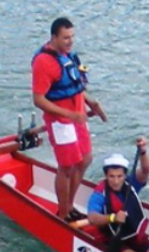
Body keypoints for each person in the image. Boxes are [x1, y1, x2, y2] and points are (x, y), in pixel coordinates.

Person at [32, 17, 106, 219]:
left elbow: (75, 86)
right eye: (65, 38)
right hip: (61, 121)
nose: (70, 41)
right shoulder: (43, 62)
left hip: (78, 115)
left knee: (85, 159)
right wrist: (68, 114)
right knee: (67, 166)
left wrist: (91, 102)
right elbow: (38, 99)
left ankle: (70, 205)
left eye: (72, 37)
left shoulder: (70, 56)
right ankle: (63, 213)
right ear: (53, 37)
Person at [83, 150, 149, 252]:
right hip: (111, 237)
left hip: (131, 235)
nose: (116, 181)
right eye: (111, 176)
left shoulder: (130, 184)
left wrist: (143, 152)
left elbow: (145, 170)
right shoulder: (100, 193)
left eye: (119, 176)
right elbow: (92, 218)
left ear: (125, 175)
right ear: (106, 176)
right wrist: (113, 218)